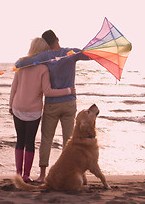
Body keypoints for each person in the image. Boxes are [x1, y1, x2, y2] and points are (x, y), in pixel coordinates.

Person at [14, 30, 91, 183]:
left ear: (46, 44)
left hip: (52, 104)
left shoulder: (45, 56)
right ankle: (71, 172)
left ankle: (42, 176)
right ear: (57, 39)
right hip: (69, 103)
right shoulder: (71, 52)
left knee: (47, 140)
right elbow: (88, 55)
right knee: (69, 140)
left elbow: (19, 64)